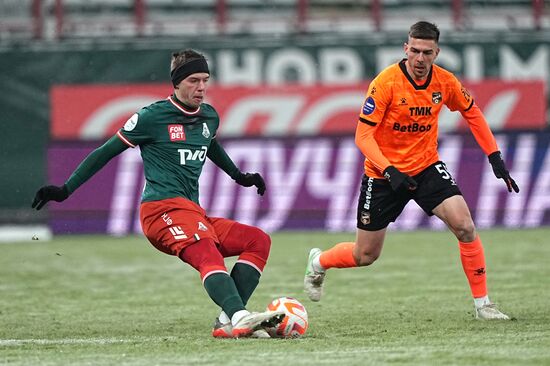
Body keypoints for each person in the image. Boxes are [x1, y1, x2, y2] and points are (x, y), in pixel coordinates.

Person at [32, 49, 284, 338]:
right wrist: (65, 190)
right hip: (160, 211)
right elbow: (104, 153)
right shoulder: (150, 117)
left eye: (205, 80)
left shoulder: (209, 117)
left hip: (193, 212)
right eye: (193, 80)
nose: (201, 87)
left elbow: (210, 145)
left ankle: (227, 322)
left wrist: (239, 176)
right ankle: (241, 316)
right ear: (176, 83)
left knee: (258, 240)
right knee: (206, 249)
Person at [304, 21, 519, 320]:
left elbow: (472, 112)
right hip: (383, 175)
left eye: (427, 52)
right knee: (365, 255)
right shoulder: (386, 83)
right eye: (414, 51)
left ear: (436, 52)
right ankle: (319, 261)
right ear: (406, 49)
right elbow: (362, 136)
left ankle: (484, 305)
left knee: (465, 226)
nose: (420, 59)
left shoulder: (445, 82)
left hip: (426, 166)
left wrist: (494, 156)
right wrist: (390, 170)